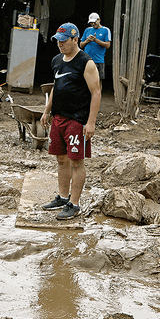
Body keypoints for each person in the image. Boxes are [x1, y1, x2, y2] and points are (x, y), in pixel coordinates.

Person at [41, 23, 101, 220]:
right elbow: (55, 88)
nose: (60, 45)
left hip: (77, 119)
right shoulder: (57, 60)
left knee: (76, 161)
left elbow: (96, 93)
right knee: (61, 159)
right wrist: (46, 111)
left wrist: (91, 122)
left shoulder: (86, 62)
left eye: (64, 41)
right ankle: (63, 197)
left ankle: (74, 204)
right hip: (58, 117)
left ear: (75, 40)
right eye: (58, 41)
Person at [79, 13, 111, 88]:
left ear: (99, 20)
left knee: (98, 81)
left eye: (94, 21)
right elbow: (81, 45)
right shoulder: (87, 30)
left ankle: (98, 98)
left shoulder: (105, 30)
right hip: (87, 59)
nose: (93, 24)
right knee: (85, 79)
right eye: (91, 22)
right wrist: (88, 41)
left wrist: (96, 40)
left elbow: (107, 45)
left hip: (99, 60)